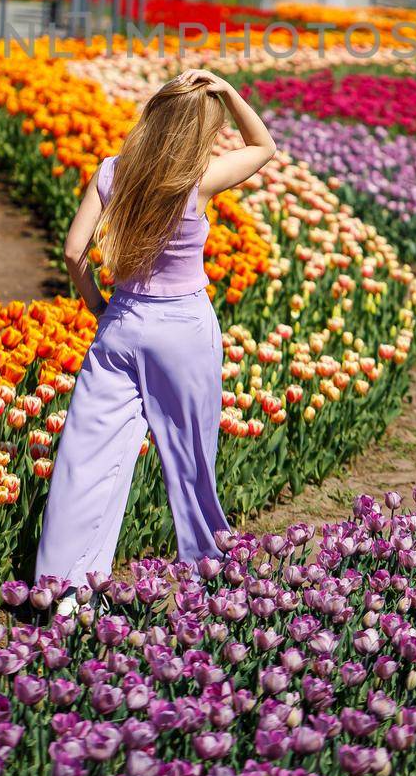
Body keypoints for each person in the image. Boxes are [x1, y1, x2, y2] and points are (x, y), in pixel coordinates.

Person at [32, 70, 277, 614]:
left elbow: (74, 252)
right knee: (190, 459)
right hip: (183, 329)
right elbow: (264, 146)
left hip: (121, 325)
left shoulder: (113, 173)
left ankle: (65, 590)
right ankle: (206, 575)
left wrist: (98, 305)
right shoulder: (200, 179)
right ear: (200, 130)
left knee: (84, 459)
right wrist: (227, 89)